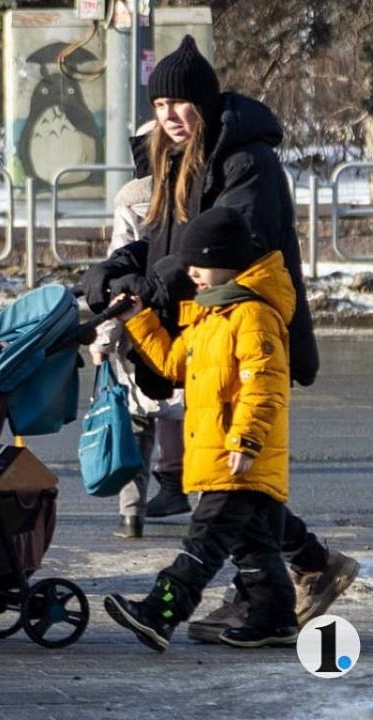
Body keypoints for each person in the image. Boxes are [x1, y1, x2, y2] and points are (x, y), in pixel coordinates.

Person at [78, 35, 358, 639]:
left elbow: (225, 242)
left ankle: (185, 606)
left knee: (230, 488)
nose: (169, 116)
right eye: (159, 106)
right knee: (237, 488)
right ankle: (287, 587)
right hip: (201, 330)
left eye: (180, 104)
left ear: (204, 105)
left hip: (241, 325)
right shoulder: (175, 158)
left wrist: (150, 286)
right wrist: (112, 273)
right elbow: (161, 239)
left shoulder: (246, 160)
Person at [104, 207, 298, 651]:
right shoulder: (209, 316)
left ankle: (159, 612)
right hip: (222, 454)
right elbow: (174, 363)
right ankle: (275, 619)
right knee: (255, 547)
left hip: (240, 454)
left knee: (204, 543)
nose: (192, 273)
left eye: (200, 264)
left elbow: (265, 385)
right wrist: (140, 320)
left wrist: (246, 439)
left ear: (229, 262)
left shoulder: (252, 315)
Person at [91, 123, 187, 539]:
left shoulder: (132, 200)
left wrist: (103, 336)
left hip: (137, 319)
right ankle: (191, 496)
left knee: (134, 419)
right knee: (185, 411)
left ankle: (131, 515)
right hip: (185, 318)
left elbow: (118, 270)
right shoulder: (197, 190)